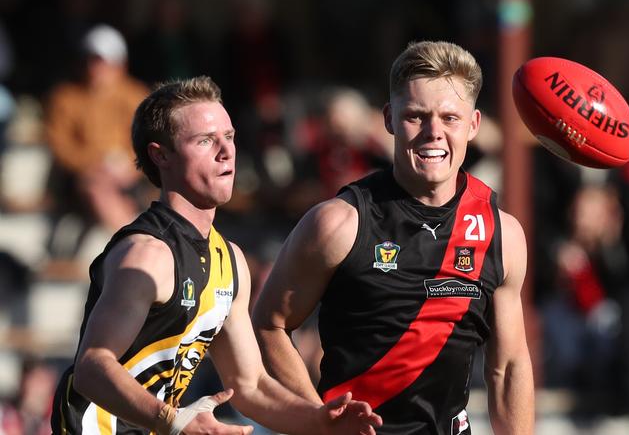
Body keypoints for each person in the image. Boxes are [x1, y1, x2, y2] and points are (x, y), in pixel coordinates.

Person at [50, 76, 382, 435]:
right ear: (160, 155)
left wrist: (319, 420)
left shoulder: (229, 258)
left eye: (230, 136)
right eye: (206, 140)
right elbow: (91, 366)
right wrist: (173, 420)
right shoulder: (147, 255)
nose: (226, 151)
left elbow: (250, 384)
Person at [253, 41, 535, 434]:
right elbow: (268, 322)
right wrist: (319, 420)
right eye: (416, 117)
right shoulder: (340, 222)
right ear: (388, 119)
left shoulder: (500, 232)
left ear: (473, 125)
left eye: (450, 118)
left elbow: (507, 368)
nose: (434, 133)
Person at [45, 24, 150, 235]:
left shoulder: (135, 95)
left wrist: (129, 167)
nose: (97, 68)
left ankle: (131, 238)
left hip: (127, 175)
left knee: (105, 191)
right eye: (92, 60)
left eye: (104, 62)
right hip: (79, 178)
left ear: (120, 65)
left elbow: (146, 139)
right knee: (97, 189)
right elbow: (60, 144)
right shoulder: (65, 97)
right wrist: (93, 165)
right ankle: (131, 239)